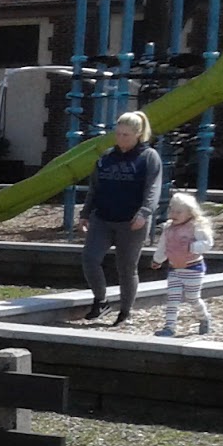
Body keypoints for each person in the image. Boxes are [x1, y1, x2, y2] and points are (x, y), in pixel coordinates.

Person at [79, 111, 164, 324]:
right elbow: (94, 188)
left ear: (138, 134)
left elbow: (153, 189)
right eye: (118, 134)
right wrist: (85, 213)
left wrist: (145, 212)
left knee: (126, 267)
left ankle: (125, 311)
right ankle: (101, 300)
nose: (120, 138)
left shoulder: (148, 157)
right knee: (90, 259)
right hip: (103, 218)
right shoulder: (106, 157)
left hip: (132, 222)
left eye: (126, 135)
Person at [150, 191, 215, 338]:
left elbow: (208, 243)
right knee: (172, 298)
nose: (174, 214)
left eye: (179, 212)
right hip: (174, 268)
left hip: (193, 268)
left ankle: (204, 318)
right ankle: (169, 327)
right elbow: (163, 246)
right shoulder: (168, 228)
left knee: (192, 297)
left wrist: (192, 247)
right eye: (172, 210)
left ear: (190, 213)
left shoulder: (195, 227)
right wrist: (157, 259)